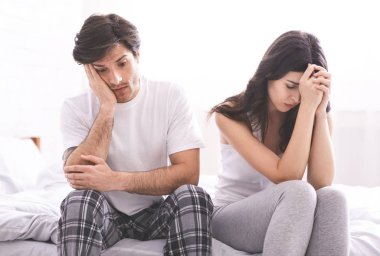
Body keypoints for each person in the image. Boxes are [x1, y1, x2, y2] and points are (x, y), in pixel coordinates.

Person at [57, 13, 213, 256]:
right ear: (89, 71)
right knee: (79, 201)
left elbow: (189, 174)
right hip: (105, 214)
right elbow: (78, 177)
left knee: (193, 196)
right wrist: (107, 108)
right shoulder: (75, 107)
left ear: (137, 56)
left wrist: (115, 180)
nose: (115, 79)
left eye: (122, 63)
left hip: (155, 213)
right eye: (101, 70)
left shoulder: (170, 96)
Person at [209, 31, 349, 255]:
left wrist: (320, 113)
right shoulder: (231, 114)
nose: (296, 98)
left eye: (303, 91)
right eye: (291, 86)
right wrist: (307, 109)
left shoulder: (312, 111)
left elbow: (321, 183)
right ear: (270, 74)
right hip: (229, 217)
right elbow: (286, 176)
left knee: (333, 197)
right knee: (298, 191)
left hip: (287, 215)